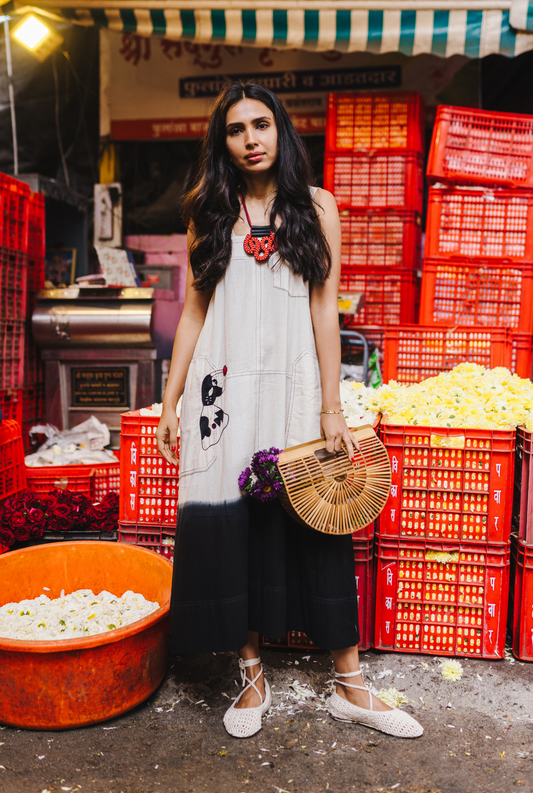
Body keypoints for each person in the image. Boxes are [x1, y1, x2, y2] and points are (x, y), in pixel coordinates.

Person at [156, 81, 423, 741]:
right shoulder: (208, 210)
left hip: (295, 388)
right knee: (240, 519)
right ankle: (250, 670)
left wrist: (331, 405)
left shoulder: (317, 208)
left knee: (315, 518)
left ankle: (349, 683)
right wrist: (171, 396)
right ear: (222, 142)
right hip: (225, 390)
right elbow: (194, 308)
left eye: (260, 125)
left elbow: (322, 312)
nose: (249, 139)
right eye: (235, 129)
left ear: (280, 132)